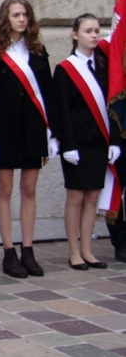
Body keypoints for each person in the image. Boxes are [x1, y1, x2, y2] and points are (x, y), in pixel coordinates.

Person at [0, 0, 58, 278]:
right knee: (5, 190)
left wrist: (53, 134)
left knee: (29, 189)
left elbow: (47, 93)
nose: (22, 19)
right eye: (16, 15)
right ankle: (8, 252)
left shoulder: (38, 51)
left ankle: (28, 250)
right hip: (5, 131)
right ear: (6, 18)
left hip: (34, 128)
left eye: (25, 14)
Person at [53, 14, 120, 270]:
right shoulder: (65, 69)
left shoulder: (105, 67)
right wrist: (67, 144)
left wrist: (114, 141)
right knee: (76, 197)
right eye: (88, 31)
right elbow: (61, 111)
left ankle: (87, 250)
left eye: (97, 31)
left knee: (93, 197)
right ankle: (73, 252)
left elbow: (113, 105)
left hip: (99, 142)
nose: (94, 35)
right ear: (75, 35)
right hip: (76, 145)